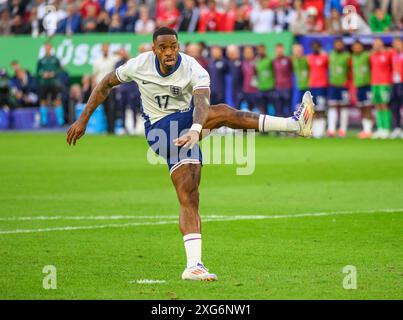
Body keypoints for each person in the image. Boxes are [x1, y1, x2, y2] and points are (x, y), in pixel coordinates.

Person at [66, 27, 315, 281]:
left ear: (178, 45)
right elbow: (106, 83)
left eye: (173, 46)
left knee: (190, 194)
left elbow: (201, 102)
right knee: (224, 113)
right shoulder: (138, 65)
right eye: (163, 48)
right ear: (154, 49)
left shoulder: (194, 68)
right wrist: (82, 120)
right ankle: (293, 125)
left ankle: (194, 265)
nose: (169, 52)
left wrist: (195, 129)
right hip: (160, 131)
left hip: (185, 132)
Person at [92, 43, 120, 133]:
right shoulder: (97, 61)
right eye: (104, 48)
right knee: (105, 109)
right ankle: (106, 128)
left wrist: (117, 52)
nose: (105, 50)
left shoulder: (114, 59)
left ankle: (111, 130)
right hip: (101, 89)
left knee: (112, 108)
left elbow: (124, 58)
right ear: (101, 50)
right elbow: (94, 75)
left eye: (107, 48)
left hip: (112, 88)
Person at [327, 38, 351, 138]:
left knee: (344, 107)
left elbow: (351, 70)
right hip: (333, 85)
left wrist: (348, 82)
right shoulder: (330, 55)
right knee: (332, 106)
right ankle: (331, 129)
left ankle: (343, 130)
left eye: (340, 44)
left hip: (344, 86)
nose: (338, 46)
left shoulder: (347, 56)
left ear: (343, 45)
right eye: (336, 44)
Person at [370, 38, 393, 139]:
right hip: (374, 84)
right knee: (377, 106)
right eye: (375, 44)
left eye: (379, 44)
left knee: (384, 105)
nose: (377, 46)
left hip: (385, 83)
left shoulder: (388, 54)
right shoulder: (372, 56)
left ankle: (387, 128)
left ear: (383, 45)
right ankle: (380, 128)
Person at [36, 42, 63, 126]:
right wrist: (43, 74)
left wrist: (53, 73)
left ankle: (60, 121)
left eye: (49, 47)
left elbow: (60, 69)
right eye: (46, 47)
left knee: (57, 100)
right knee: (43, 101)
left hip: (53, 83)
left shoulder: (55, 59)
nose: (47, 49)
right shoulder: (41, 60)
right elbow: (37, 72)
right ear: (44, 48)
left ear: (51, 48)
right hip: (44, 83)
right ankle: (44, 122)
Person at [351, 40, 373, 139]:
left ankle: (369, 131)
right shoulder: (353, 58)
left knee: (368, 107)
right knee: (361, 108)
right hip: (358, 86)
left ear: (362, 48)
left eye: (359, 47)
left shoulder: (367, 56)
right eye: (355, 47)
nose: (357, 49)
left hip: (367, 85)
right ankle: (365, 130)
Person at [307, 40, 328, 138]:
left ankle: (321, 131)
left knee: (321, 109)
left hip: (321, 86)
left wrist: (323, 53)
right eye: (313, 46)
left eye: (317, 46)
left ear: (320, 47)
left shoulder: (324, 57)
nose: (315, 48)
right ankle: (314, 130)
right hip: (312, 86)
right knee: (313, 110)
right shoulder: (309, 58)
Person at [273, 43, 293, 117]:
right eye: (277, 50)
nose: (279, 51)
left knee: (288, 109)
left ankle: (290, 127)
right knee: (278, 109)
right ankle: (279, 128)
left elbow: (292, 70)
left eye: (280, 49)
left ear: (283, 50)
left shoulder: (288, 60)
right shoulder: (274, 61)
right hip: (277, 88)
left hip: (287, 87)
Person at [255, 44, 275, 114]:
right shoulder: (256, 61)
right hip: (261, 88)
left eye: (262, 50)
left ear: (265, 50)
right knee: (263, 110)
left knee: (273, 108)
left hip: (270, 87)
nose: (261, 51)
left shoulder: (270, 59)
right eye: (259, 50)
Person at [390, 37, 403, 139]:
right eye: (394, 44)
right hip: (395, 83)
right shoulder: (393, 54)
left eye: (398, 43)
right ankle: (397, 128)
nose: (396, 46)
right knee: (395, 107)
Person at [292, 44, 309, 110]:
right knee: (298, 108)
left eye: (299, 50)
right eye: (296, 51)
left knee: (308, 108)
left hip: (308, 87)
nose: (298, 52)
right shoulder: (292, 61)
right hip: (298, 88)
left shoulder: (307, 59)